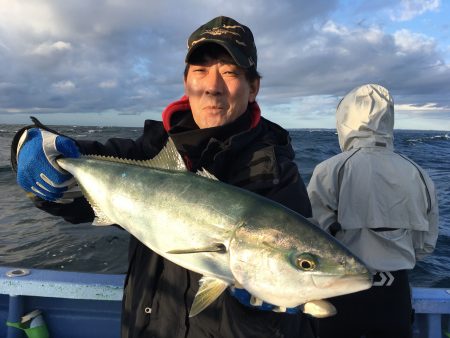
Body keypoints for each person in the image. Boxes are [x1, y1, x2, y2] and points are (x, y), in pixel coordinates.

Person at [11, 16, 317, 338]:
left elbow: (298, 319)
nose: (213, 86)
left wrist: (275, 313)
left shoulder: (276, 175)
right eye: (201, 71)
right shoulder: (151, 149)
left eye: (229, 72)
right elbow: (73, 187)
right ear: (187, 82)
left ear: (253, 87)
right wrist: (29, 145)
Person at [307, 84, 439, 338]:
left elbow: (312, 236)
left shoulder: (330, 169)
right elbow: (425, 245)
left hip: (340, 293)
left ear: (345, 120)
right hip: (394, 298)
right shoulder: (418, 173)